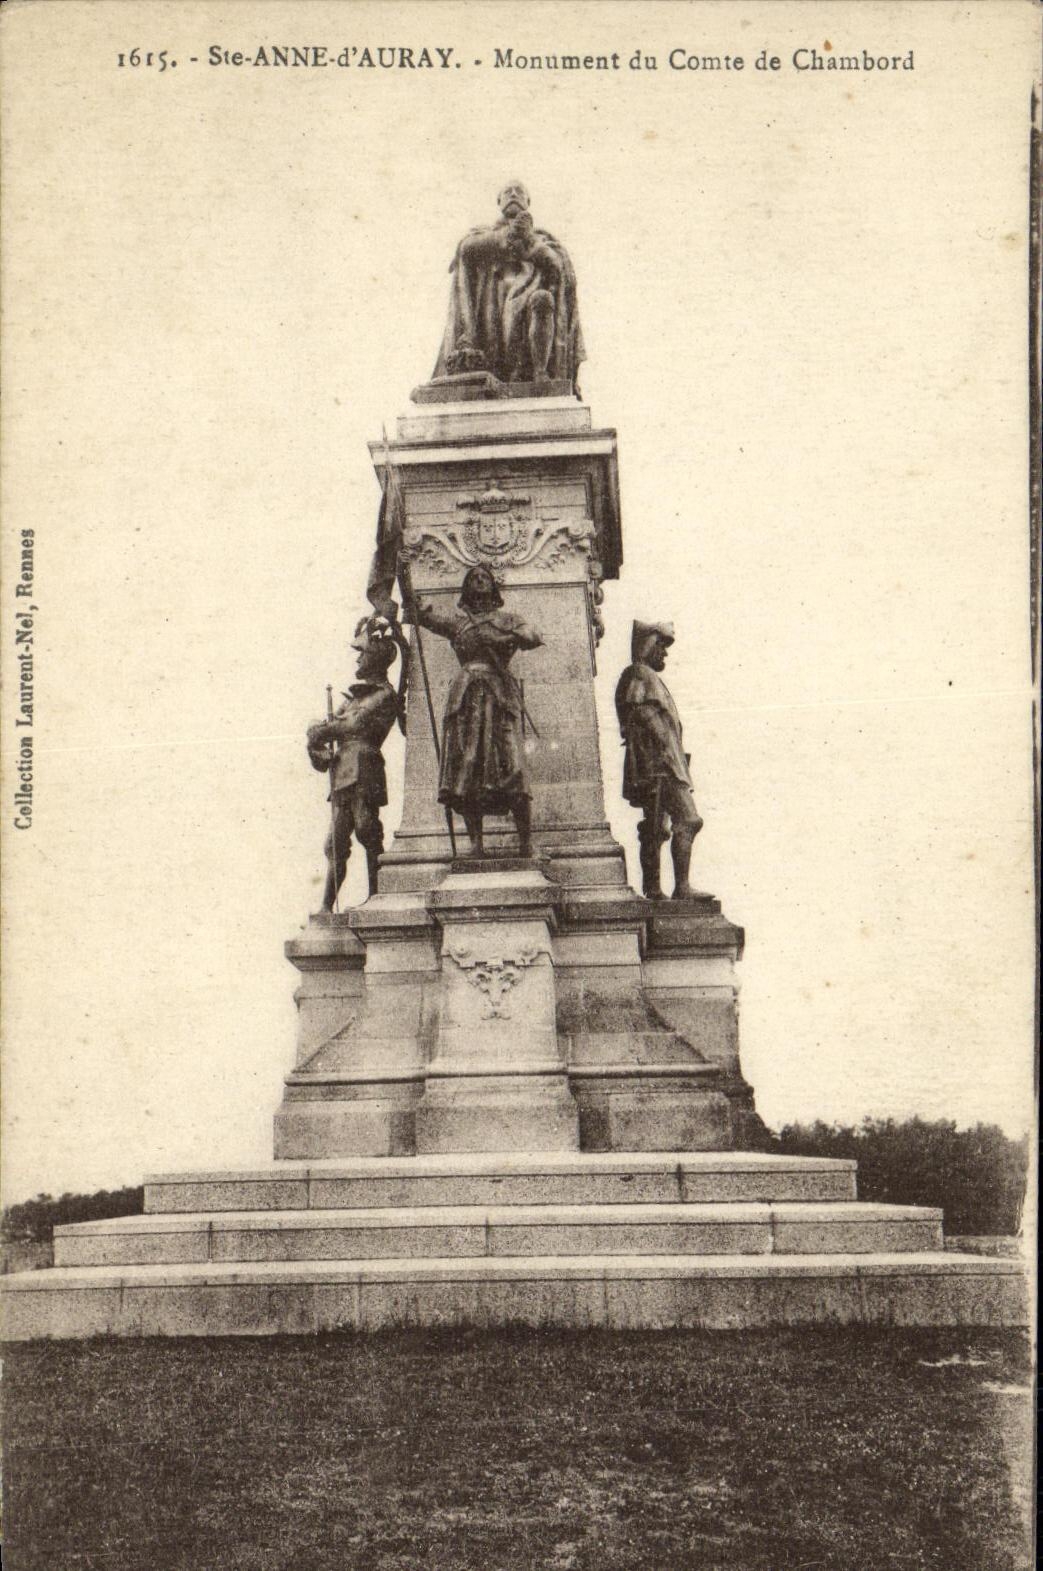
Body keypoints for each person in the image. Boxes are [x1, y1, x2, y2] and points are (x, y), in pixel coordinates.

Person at [409, 565, 542, 856]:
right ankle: (476, 845)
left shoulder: (507, 619)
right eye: (473, 578)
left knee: (514, 766)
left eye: (484, 577)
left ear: (494, 588)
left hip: (500, 696)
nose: (479, 581)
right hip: (467, 697)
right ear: (466, 589)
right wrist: (410, 588)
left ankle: (526, 843)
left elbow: (533, 636)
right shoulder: (459, 623)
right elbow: (424, 617)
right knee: (467, 767)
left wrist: (501, 638)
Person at [433, 182, 585, 391]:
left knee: (539, 300)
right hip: (490, 308)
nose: (513, 194)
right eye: (508, 192)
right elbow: (466, 250)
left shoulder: (543, 238)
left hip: (532, 304)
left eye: (519, 191)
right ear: (499, 201)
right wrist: (509, 236)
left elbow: (557, 267)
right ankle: (469, 343)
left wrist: (529, 241)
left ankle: (540, 372)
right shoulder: (482, 235)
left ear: (528, 202)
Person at [306, 616, 400, 907]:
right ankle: (325, 906)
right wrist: (316, 745)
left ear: (377, 656)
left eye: (363, 652)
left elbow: (353, 725)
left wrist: (320, 730)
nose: (358, 658)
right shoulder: (352, 697)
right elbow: (331, 729)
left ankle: (376, 895)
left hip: (365, 765)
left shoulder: (384, 694)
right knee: (334, 842)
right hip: (343, 768)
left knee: (366, 829)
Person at [615, 621, 705, 900]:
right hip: (661, 764)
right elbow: (642, 712)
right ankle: (681, 887)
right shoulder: (640, 673)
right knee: (689, 820)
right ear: (648, 645)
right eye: (661, 647)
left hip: (661, 762)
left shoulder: (645, 675)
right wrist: (666, 754)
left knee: (655, 828)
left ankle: (655, 889)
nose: (664, 654)